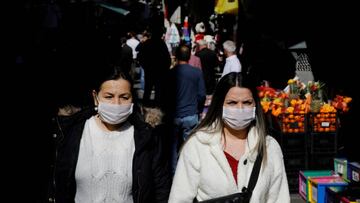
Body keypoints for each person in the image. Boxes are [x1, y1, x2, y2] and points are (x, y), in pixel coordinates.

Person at [52, 67, 171, 203]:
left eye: (124, 97)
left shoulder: (146, 137)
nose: (116, 104)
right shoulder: (72, 133)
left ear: (132, 99)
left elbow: (161, 188)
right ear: (95, 97)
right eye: (109, 96)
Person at [169, 72, 290, 202]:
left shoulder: (269, 147)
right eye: (232, 103)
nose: (240, 108)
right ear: (220, 105)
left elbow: (279, 198)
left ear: (255, 105)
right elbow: (179, 198)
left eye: (247, 102)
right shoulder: (198, 145)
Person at [166, 44, 206, 175]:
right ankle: (188, 175)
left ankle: (174, 176)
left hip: (174, 115)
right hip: (191, 115)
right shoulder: (197, 73)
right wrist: (198, 110)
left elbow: (163, 96)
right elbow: (201, 95)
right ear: (190, 56)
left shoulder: (170, 73)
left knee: (172, 149)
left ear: (176, 56)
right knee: (189, 148)